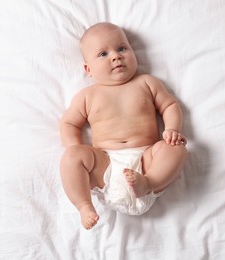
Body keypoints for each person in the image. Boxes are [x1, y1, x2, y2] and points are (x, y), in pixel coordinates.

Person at [60, 22, 187, 230]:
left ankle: (150, 183)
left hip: (147, 161)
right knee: (70, 159)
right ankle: (84, 205)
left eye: (122, 48)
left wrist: (172, 129)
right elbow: (69, 123)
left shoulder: (147, 83)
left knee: (177, 149)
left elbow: (170, 105)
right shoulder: (87, 96)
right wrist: (74, 148)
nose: (115, 56)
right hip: (106, 165)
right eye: (103, 54)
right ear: (88, 69)